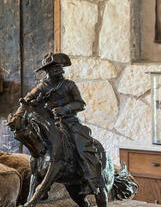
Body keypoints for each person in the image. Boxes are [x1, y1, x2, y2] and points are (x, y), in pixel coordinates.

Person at [19, 51, 106, 192]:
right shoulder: (42, 87)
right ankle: (38, 174)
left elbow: (80, 104)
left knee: (82, 145)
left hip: (70, 122)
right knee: (36, 145)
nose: (58, 70)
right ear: (47, 71)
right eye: (54, 68)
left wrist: (65, 109)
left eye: (59, 67)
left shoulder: (69, 85)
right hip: (49, 123)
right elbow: (27, 100)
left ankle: (91, 179)